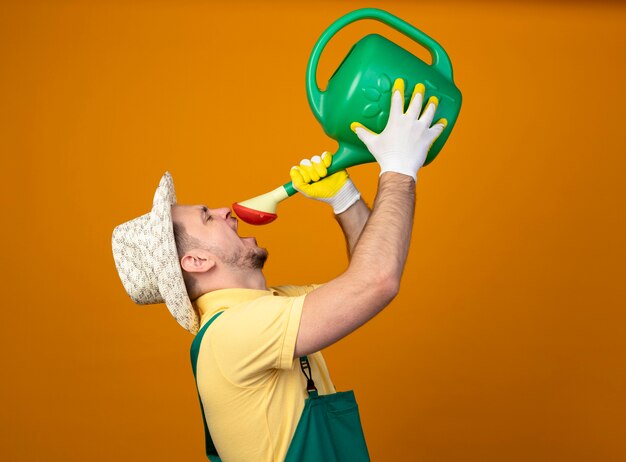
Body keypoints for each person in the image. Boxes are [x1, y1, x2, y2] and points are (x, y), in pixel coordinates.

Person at [112, 78, 447, 461]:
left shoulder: (266, 307)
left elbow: (366, 274)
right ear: (197, 261)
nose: (225, 211)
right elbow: (376, 281)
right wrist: (400, 168)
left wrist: (345, 200)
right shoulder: (233, 334)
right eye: (207, 217)